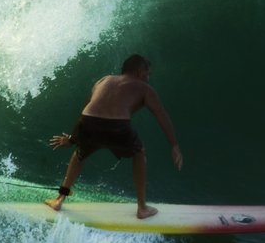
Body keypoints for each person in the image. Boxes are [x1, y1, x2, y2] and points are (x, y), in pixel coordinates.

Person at [45, 54, 183, 220]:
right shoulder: (144, 88)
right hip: (117, 126)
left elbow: (87, 109)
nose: (148, 77)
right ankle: (142, 208)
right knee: (139, 154)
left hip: (88, 122)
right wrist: (174, 145)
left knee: (79, 153)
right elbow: (161, 115)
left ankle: (59, 199)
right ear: (140, 72)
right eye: (147, 73)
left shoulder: (103, 81)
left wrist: (73, 139)